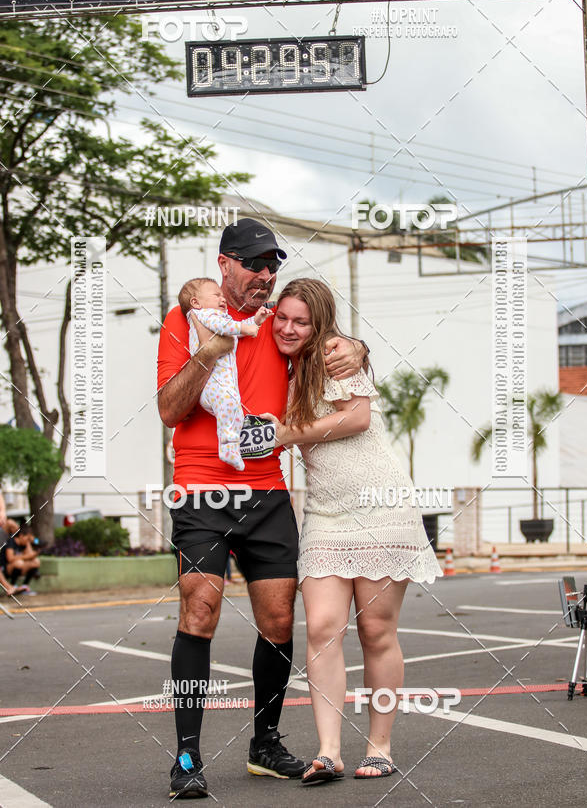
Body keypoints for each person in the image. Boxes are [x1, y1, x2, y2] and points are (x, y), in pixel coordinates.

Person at [157, 218, 367, 799]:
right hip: (202, 490)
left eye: (272, 265)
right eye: (254, 264)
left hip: (268, 493)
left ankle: (264, 746)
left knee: (278, 620)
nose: (265, 275)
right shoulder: (186, 320)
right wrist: (209, 352)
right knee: (199, 609)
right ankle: (187, 756)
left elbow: (328, 338)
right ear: (225, 265)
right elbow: (170, 410)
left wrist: (356, 345)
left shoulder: (279, 322)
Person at [262, 278, 442, 785]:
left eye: (302, 321)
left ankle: (380, 747)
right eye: (283, 318)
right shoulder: (283, 361)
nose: (289, 328)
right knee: (321, 628)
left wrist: (283, 435)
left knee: (375, 631)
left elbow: (358, 417)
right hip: (323, 514)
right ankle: (328, 752)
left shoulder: (337, 354)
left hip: (380, 507)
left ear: (320, 324)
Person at [179, 277, 272, 470]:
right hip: (213, 385)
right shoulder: (203, 316)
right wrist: (247, 327)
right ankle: (227, 448)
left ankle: (232, 447)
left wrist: (256, 320)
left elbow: (233, 329)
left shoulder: (219, 318)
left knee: (235, 412)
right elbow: (228, 327)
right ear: (196, 302)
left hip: (223, 383)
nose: (222, 299)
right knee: (229, 405)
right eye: (216, 295)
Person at [4, 523, 41, 593]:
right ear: (21, 536)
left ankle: (25, 586)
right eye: (27, 538)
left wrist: (28, 543)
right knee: (19, 563)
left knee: (36, 562)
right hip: (6, 569)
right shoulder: (11, 541)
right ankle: (13, 585)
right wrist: (26, 556)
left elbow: (30, 555)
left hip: (20, 567)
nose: (28, 540)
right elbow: (10, 558)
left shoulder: (25, 544)